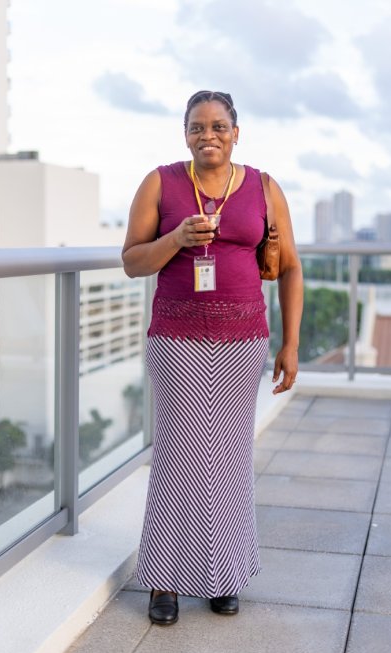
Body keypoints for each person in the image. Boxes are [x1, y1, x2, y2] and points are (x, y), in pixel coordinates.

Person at [122, 90, 303, 625]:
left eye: (219, 126)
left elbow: (291, 267)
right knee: (177, 458)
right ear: (185, 134)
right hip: (176, 341)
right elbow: (132, 261)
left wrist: (290, 343)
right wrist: (177, 237)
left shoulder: (264, 187)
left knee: (229, 459)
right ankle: (164, 580)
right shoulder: (160, 182)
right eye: (197, 127)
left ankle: (224, 575)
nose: (209, 136)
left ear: (236, 133)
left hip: (242, 342)